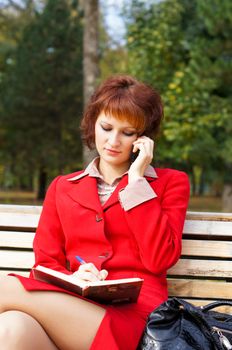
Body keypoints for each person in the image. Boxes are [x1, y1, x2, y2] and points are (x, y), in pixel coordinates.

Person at [0, 75, 190, 350]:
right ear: (93, 123)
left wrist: (136, 182)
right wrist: (74, 279)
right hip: (75, 307)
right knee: (11, 329)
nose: (113, 141)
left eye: (128, 132)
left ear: (144, 137)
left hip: (136, 320)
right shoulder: (62, 187)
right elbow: (45, 264)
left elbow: (159, 259)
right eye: (106, 127)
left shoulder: (171, 183)